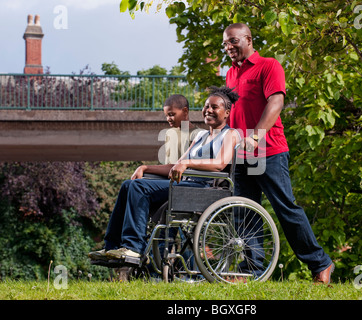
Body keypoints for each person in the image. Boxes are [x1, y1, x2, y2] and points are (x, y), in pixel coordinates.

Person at [222, 23, 334, 284]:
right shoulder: (229, 74)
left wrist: (256, 136)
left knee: (286, 209)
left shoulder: (269, 66)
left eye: (233, 41)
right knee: (245, 211)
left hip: (269, 151)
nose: (228, 47)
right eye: (225, 43)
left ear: (248, 39)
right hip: (241, 155)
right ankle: (251, 269)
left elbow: (276, 101)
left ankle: (321, 263)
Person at [88, 86, 241, 262]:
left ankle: (133, 247)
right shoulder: (200, 137)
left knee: (139, 187)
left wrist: (187, 163)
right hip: (185, 185)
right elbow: (175, 166)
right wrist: (145, 168)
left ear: (227, 112)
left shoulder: (230, 134)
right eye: (206, 106)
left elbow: (220, 164)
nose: (208, 110)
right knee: (128, 185)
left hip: (204, 188)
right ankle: (111, 247)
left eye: (214, 107)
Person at [161, 94, 202, 165]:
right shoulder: (169, 133)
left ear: (185, 111)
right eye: (166, 116)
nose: (168, 119)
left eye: (171, 114)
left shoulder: (198, 134)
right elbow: (167, 162)